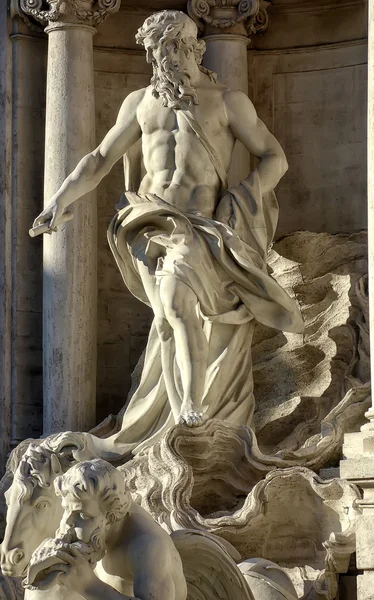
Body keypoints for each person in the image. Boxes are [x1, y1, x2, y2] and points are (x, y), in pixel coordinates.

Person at [32, 10, 303, 455]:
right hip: (145, 220)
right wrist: (59, 202)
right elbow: (100, 158)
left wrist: (241, 196)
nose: (166, 57)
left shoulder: (227, 101)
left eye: (174, 46)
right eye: (158, 50)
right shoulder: (140, 102)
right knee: (163, 323)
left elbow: (275, 157)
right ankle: (174, 424)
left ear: (195, 48)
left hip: (195, 226)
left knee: (177, 305)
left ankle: (192, 410)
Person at [24, 459, 188, 600]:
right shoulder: (90, 535)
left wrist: (89, 586)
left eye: (83, 515)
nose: (68, 523)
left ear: (110, 517)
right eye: (66, 510)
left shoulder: (148, 547)